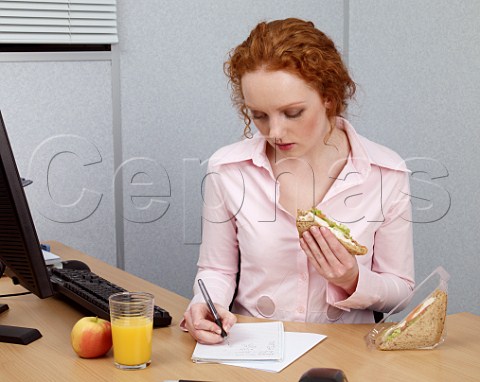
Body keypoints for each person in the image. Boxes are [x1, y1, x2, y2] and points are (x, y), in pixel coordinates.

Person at [182, 18, 414, 344]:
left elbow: (400, 293)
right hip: (251, 352)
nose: (274, 132)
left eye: (292, 113)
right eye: (259, 116)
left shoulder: (386, 173)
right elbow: (216, 271)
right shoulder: (228, 170)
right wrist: (206, 304)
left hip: (348, 359)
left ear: (329, 98)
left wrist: (353, 279)